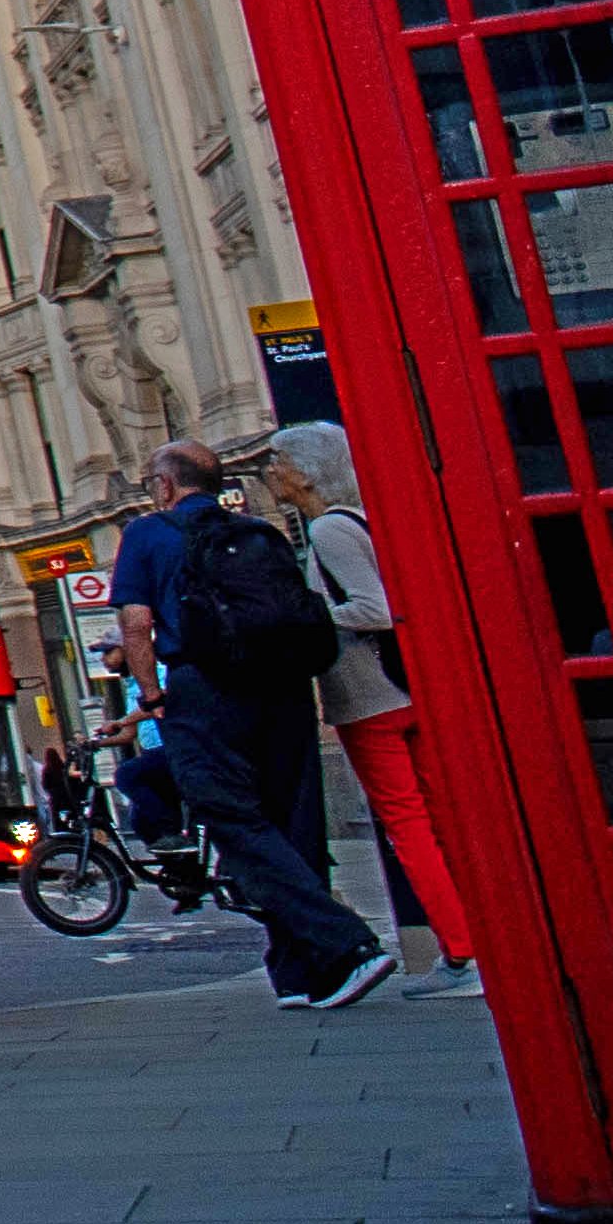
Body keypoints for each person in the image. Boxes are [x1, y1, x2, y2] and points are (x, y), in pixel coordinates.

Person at [110, 439, 392, 1008]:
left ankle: (350, 946)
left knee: (233, 819)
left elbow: (136, 627)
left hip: (204, 689)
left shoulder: (146, 534)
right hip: (282, 688)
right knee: (294, 819)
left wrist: (151, 693)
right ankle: (300, 974)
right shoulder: (258, 530)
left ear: (165, 486)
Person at [268, 424, 474, 994]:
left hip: (368, 698)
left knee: (408, 827)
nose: (270, 471)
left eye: (278, 460)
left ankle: (461, 953)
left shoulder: (331, 529)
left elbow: (375, 609)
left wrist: (306, 618)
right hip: (402, 692)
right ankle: (474, 944)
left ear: (306, 473)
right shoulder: (354, 521)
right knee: (439, 821)